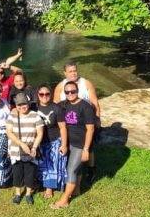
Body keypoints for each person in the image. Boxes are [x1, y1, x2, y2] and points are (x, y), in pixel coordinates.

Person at [53, 61, 101, 183]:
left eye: (75, 70)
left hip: (85, 122)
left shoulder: (86, 83)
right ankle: (70, 171)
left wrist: (97, 119)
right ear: (65, 73)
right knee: (70, 147)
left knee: (89, 147)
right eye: (70, 71)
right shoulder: (60, 86)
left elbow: (95, 102)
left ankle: (91, 170)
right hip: (68, 124)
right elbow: (55, 106)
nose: (73, 73)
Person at [50, 81, 95, 209]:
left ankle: (64, 200)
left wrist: (86, 149)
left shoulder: (86, 107)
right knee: (77, 168)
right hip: (68, 142)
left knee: (71, 170)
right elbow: (50, 106)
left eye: (73, 91)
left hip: (80, 145)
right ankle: (77, 190)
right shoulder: (64, 104)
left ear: (77, 91)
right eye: (67, 92)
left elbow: (90, 129)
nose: (70, 94)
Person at [6, 93, 43, 206]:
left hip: (31, 149)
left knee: (30, 173)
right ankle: (17, 194)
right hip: (16, 149)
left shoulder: (35, 115)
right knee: (17, 172)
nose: (22, 107)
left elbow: (40, 133)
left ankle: (28, 194)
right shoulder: (12, 116)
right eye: (19, 105)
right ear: (16, 106)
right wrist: (22, 144)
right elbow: (9, 132)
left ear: (28, 104)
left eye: (24, 104)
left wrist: (35, 147)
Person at [36, 84, 68, 198]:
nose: (44, 96)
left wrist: (64, 145)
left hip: (54, 140)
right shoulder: (34, 108)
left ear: (50, 94)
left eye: (47, 94)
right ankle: (40, 182)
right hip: (39, 142)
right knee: (41, 164)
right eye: (41, 94)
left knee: (51, 165)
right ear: (38, 95)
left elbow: (63, 127)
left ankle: (49, 188)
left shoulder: (56, 108)